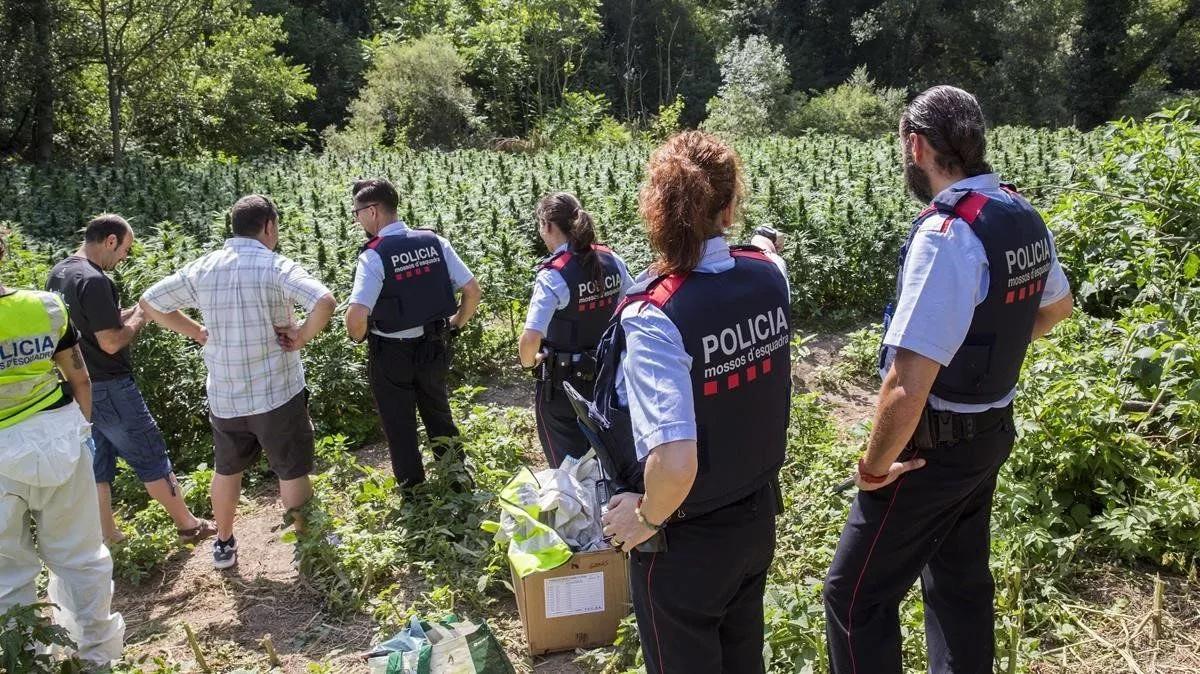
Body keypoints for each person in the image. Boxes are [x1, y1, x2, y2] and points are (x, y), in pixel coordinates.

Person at [822, 86, 1074, 674]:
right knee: (959, 585)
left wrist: (874, 468)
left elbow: (907, 388)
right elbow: (1055, 309)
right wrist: (989, 341)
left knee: (854, 596)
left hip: (931, 452)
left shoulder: (948, 236)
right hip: (990, 435)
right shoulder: (1018, 213)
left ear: (917, 146)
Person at [597, 131, 792, 673]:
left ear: (656, 212)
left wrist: (644, 517)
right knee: (741, 656)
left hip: (686, 541)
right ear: (730, 208)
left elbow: (676, 461)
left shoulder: (655, 315)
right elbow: (761, 257)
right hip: (755, 517)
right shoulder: (769, 276)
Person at [140, 195, 336, 570]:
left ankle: (224, 544)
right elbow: (324, 300)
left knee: (227, 469)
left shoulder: (205, 266)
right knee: (291, 468)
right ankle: (308, 544)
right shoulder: (274, 265)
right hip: (277, 391)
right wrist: (300, 337)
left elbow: (150, 301)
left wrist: (196, 331)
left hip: (226, 394)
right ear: (269, 226)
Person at [47, 214, 216, 547]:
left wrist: (133, 311)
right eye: (125, 249)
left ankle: (107, 535)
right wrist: (141, 316)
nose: (124, 257)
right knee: (149, 452)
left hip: (78, 386)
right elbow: (110, 341)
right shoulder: (95, 280)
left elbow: (90, 325)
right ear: (111, 240)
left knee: (98, 464)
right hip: (112, 386)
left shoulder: (59, 273)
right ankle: (188, 525)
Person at [0, 228, 125, 667]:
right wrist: (82, 431)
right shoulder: (44, 307)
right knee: (81, 557)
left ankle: (29, 660)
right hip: (59, 439)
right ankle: (96, 656)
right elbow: (80, 378)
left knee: (7, 573)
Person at [344, 178, 482, 488]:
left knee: (399, 425)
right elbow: (473, 290)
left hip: (391, 353)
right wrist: (456, 322)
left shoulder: (375, 254)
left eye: (357, 212)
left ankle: (414, 493)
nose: (356, 219)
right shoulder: (435, 242)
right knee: (439, 413)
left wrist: (359, 337)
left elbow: (355, 318)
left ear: (374, 211)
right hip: (434, 344)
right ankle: (458, 481)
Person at [518, 192, 633, 467]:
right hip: (607, 374)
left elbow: (531, 336)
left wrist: (528, 363)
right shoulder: (611, 259)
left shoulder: (553, 275)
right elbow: (630, 307)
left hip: (562, 384)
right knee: (607, 453)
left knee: (569, 466)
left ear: (547, 225)